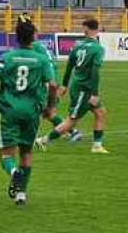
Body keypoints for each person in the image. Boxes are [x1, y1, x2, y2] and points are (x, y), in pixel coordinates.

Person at [0, 18, 57, 206]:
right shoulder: (42, 59)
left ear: (16, 37)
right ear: (32, 38)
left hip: (10, 109)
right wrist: (50, 107)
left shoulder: (6, 57)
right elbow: (52, 85)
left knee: (6, 153)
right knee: (26, 152)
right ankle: (21, 194)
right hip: (32, 111)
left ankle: (14, 173)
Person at [37, 18, 108, 154]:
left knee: (100, 112)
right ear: (97, 29)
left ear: (86, 29)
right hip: (84, 88)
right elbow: (95, 72)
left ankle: (97, 146)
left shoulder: (78, 45)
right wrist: (94, 94)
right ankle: (43, 140)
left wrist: (64, 85)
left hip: (78, 85)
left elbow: (70, 65)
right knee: (72, 120)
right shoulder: (98, 48)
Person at [18, 12, 82, 143]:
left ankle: (72, 131)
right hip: (49, 81)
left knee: (35, 110)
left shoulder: (33, 47)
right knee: (47, 113)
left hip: (46, 84)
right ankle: (70, 132)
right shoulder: (40, 46)